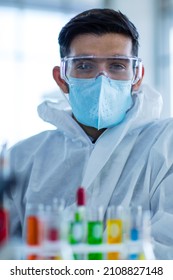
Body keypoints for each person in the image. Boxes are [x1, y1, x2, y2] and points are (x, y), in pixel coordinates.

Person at [4, 8, 173, 259]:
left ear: (137, 77)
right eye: (84, 65)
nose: (101, 79)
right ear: (62, 78)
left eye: (117, 65)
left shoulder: (165, 146)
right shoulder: (24, 157)